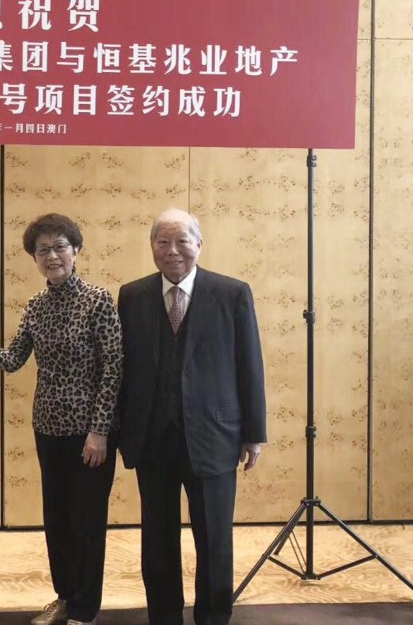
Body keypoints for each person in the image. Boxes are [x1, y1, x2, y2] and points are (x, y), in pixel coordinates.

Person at [0, 214, 122, 625]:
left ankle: (85, 609)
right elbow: (14, 359)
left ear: (76, 250)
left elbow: (113, 369)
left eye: (59, 246)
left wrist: (99, 431)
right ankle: (65, 596)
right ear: (34, 258)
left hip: (89, 433)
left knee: (87, 521)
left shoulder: (98, 300)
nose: (52, 255)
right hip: (48, 428)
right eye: (43, 250)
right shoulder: (36, 306)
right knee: (57, 519)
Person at [117, 208, 266, 625]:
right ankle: (164, 616)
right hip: (153, 438)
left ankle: (213, 617)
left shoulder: (232, 293)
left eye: (182, 241)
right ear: (152, 247)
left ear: (198, 245)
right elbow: (123, 369)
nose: (173, 250)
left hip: (215, 437)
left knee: (215, 538)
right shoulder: (132, 295)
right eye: (163, 242)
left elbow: (249, 365)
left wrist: (254, 433)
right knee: (157, 538)